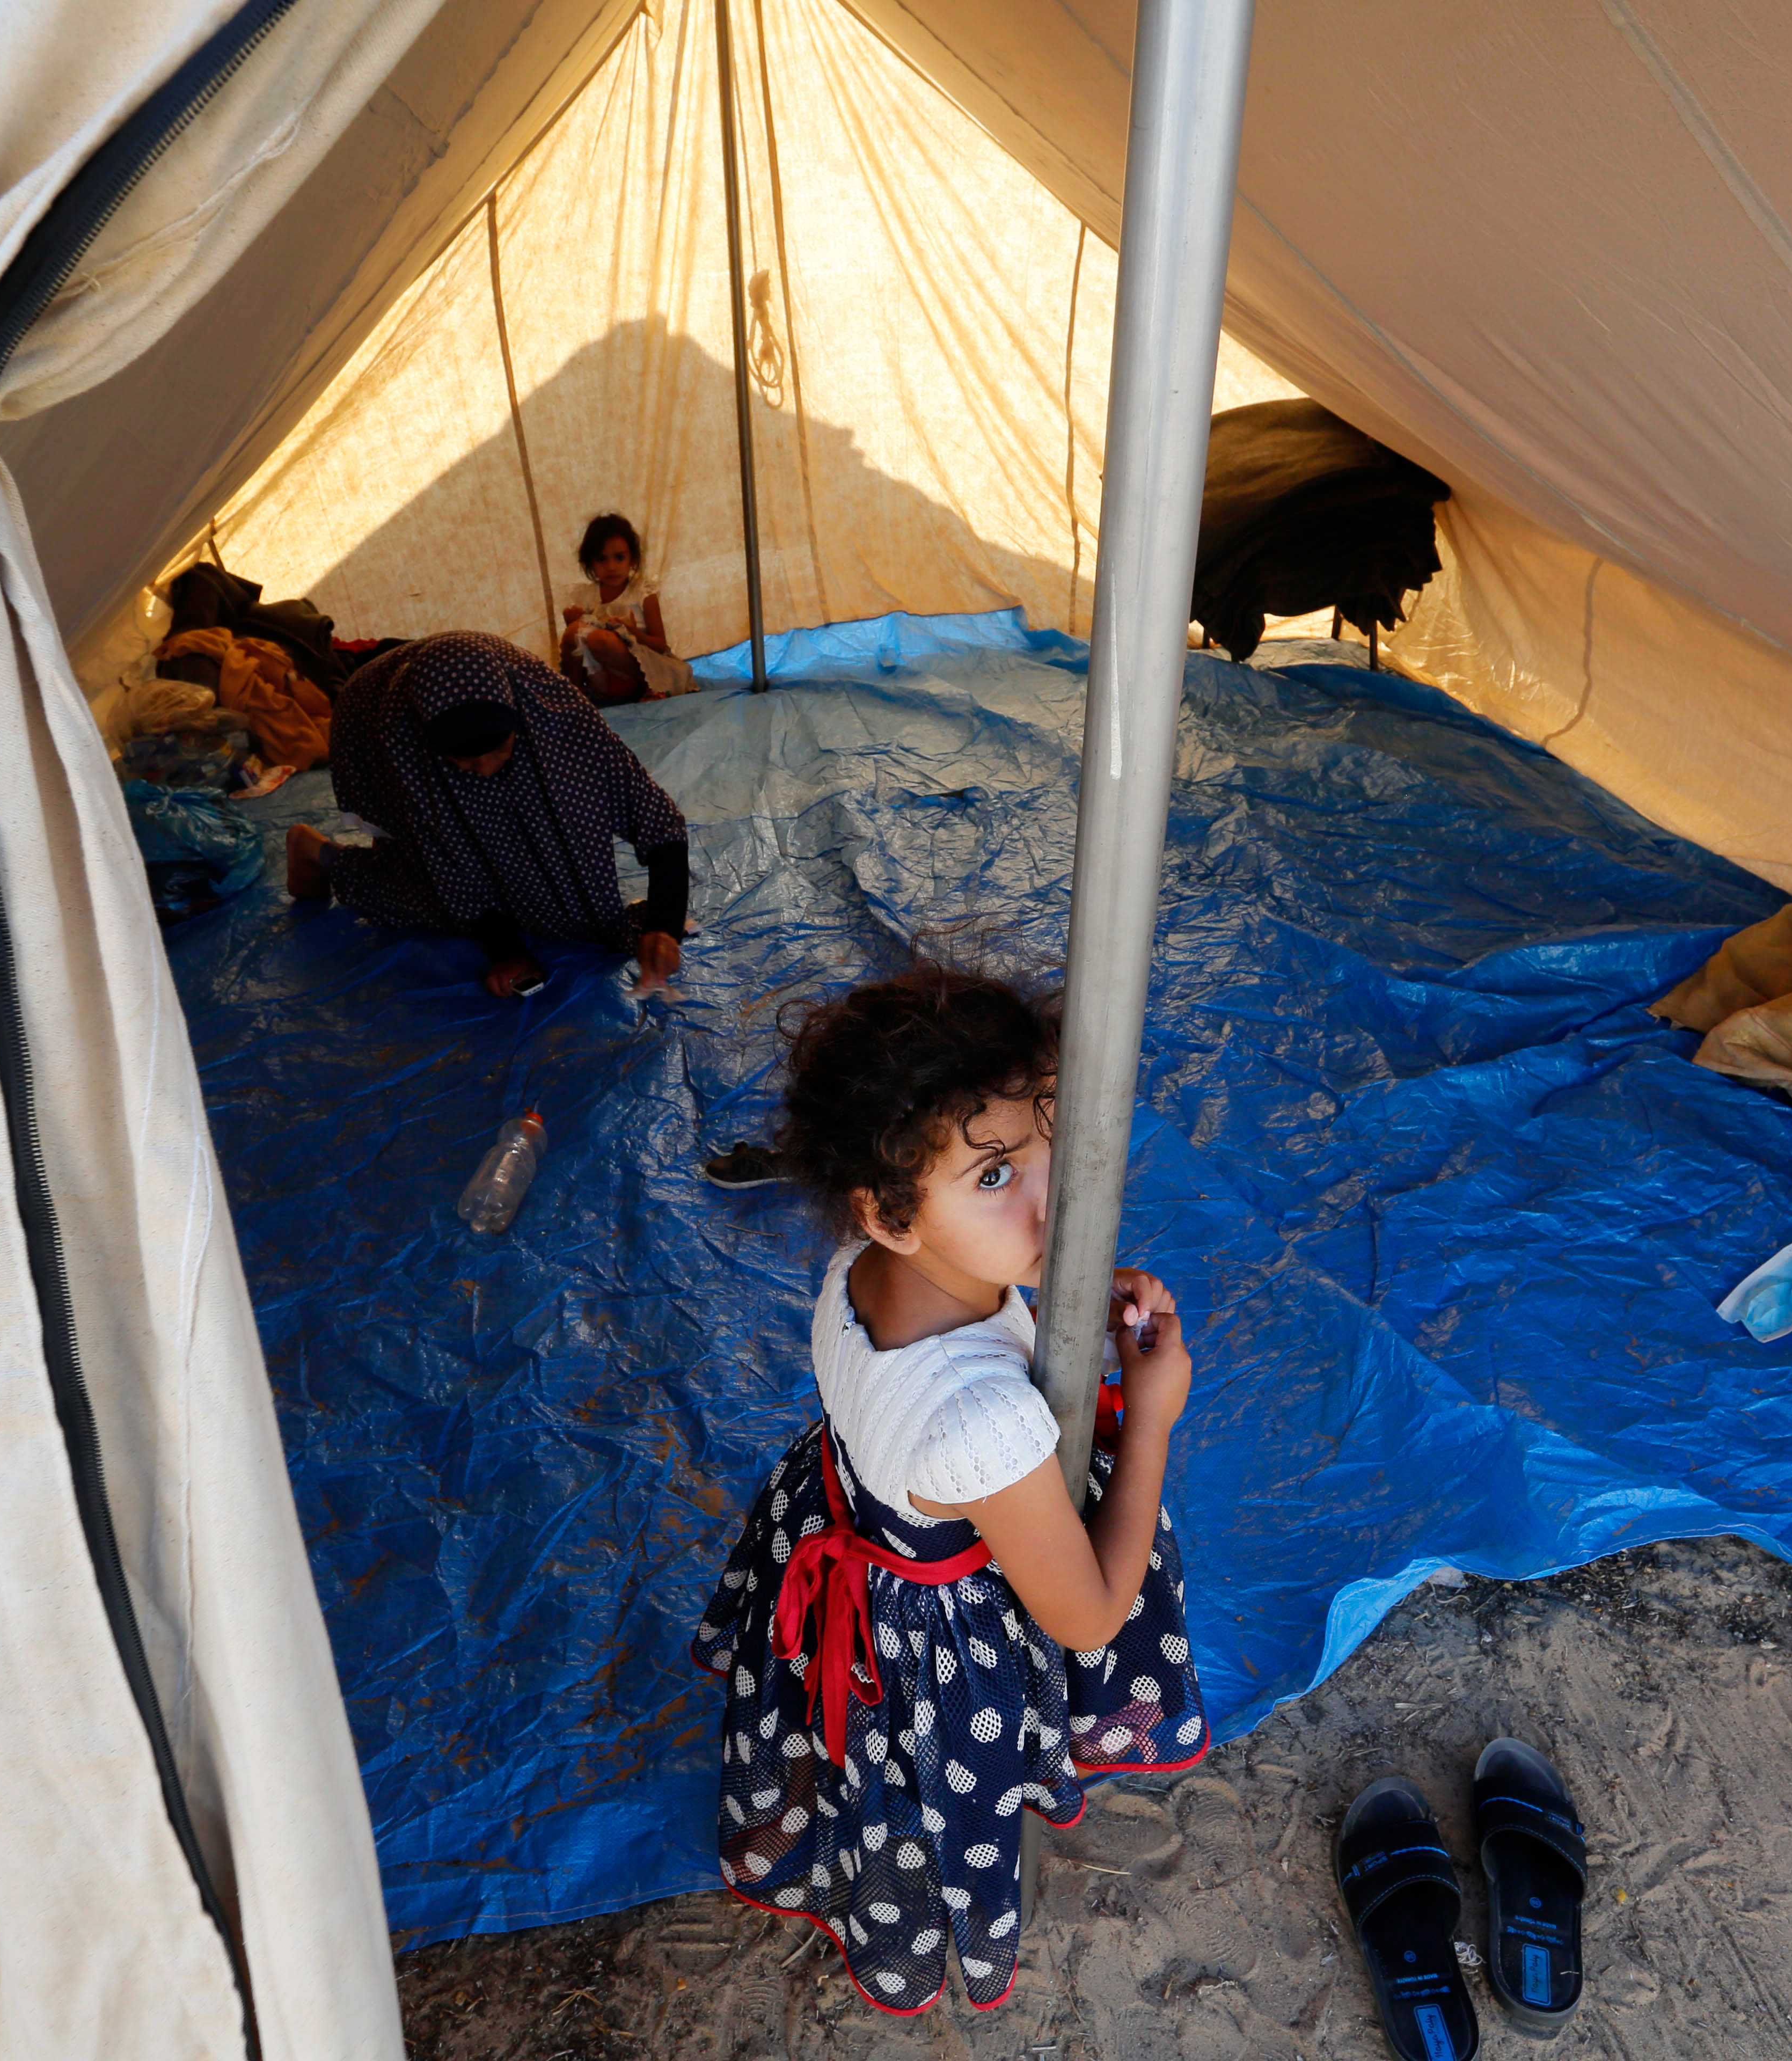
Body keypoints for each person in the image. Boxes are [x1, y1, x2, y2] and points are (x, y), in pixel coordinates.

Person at [691, 967, 1207, 2014]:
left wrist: (1053, 1295)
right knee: (930, 1804)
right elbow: (1089, 1612)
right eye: (992, 1176)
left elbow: (978, 1307)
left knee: (856, 1768)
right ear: (886, 1212)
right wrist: (1148, 1416)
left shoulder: (857, 1270)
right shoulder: (987, 1428)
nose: (1050, 1192)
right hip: (930, 1627)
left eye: (1046, 1137)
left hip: (843, 1516)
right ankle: (920, 1922)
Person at [284, 631, 690, 997]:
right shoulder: (408, 744)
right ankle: (318, 853)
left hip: (480, 715)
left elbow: (657, 822)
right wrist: (506, 952)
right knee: (425, 891)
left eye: (499, 750)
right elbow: (452, 873)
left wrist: (665, 925)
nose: (484, 769)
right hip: (370, 712)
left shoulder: (558, 718)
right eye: (464, 759)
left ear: (520, 722)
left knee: (562, 875)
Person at [560, 511, 696, 703]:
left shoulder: (642, 594)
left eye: (619, 558)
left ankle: (654, 689)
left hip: (640, 672)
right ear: (590, 563)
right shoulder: (586, 596)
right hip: (603, 678)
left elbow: (661, 645)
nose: (612, 567)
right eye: (602, 559)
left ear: (632, 558)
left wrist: (636, 634)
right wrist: (572, 624)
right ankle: (572, 699)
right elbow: (578, 643)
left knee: (599, 639)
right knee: (574, 633)